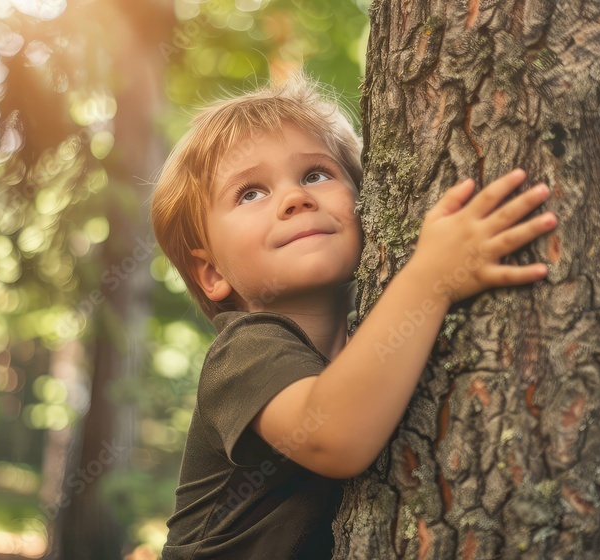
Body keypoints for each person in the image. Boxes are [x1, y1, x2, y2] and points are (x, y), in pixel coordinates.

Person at [150, 70, 557, 559]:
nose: (295, 198)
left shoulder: (368, 336)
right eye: (250, 193)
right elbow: (334, 435)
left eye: (316, 174)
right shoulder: (242, 351)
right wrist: (431, 279)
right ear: (211, 270)